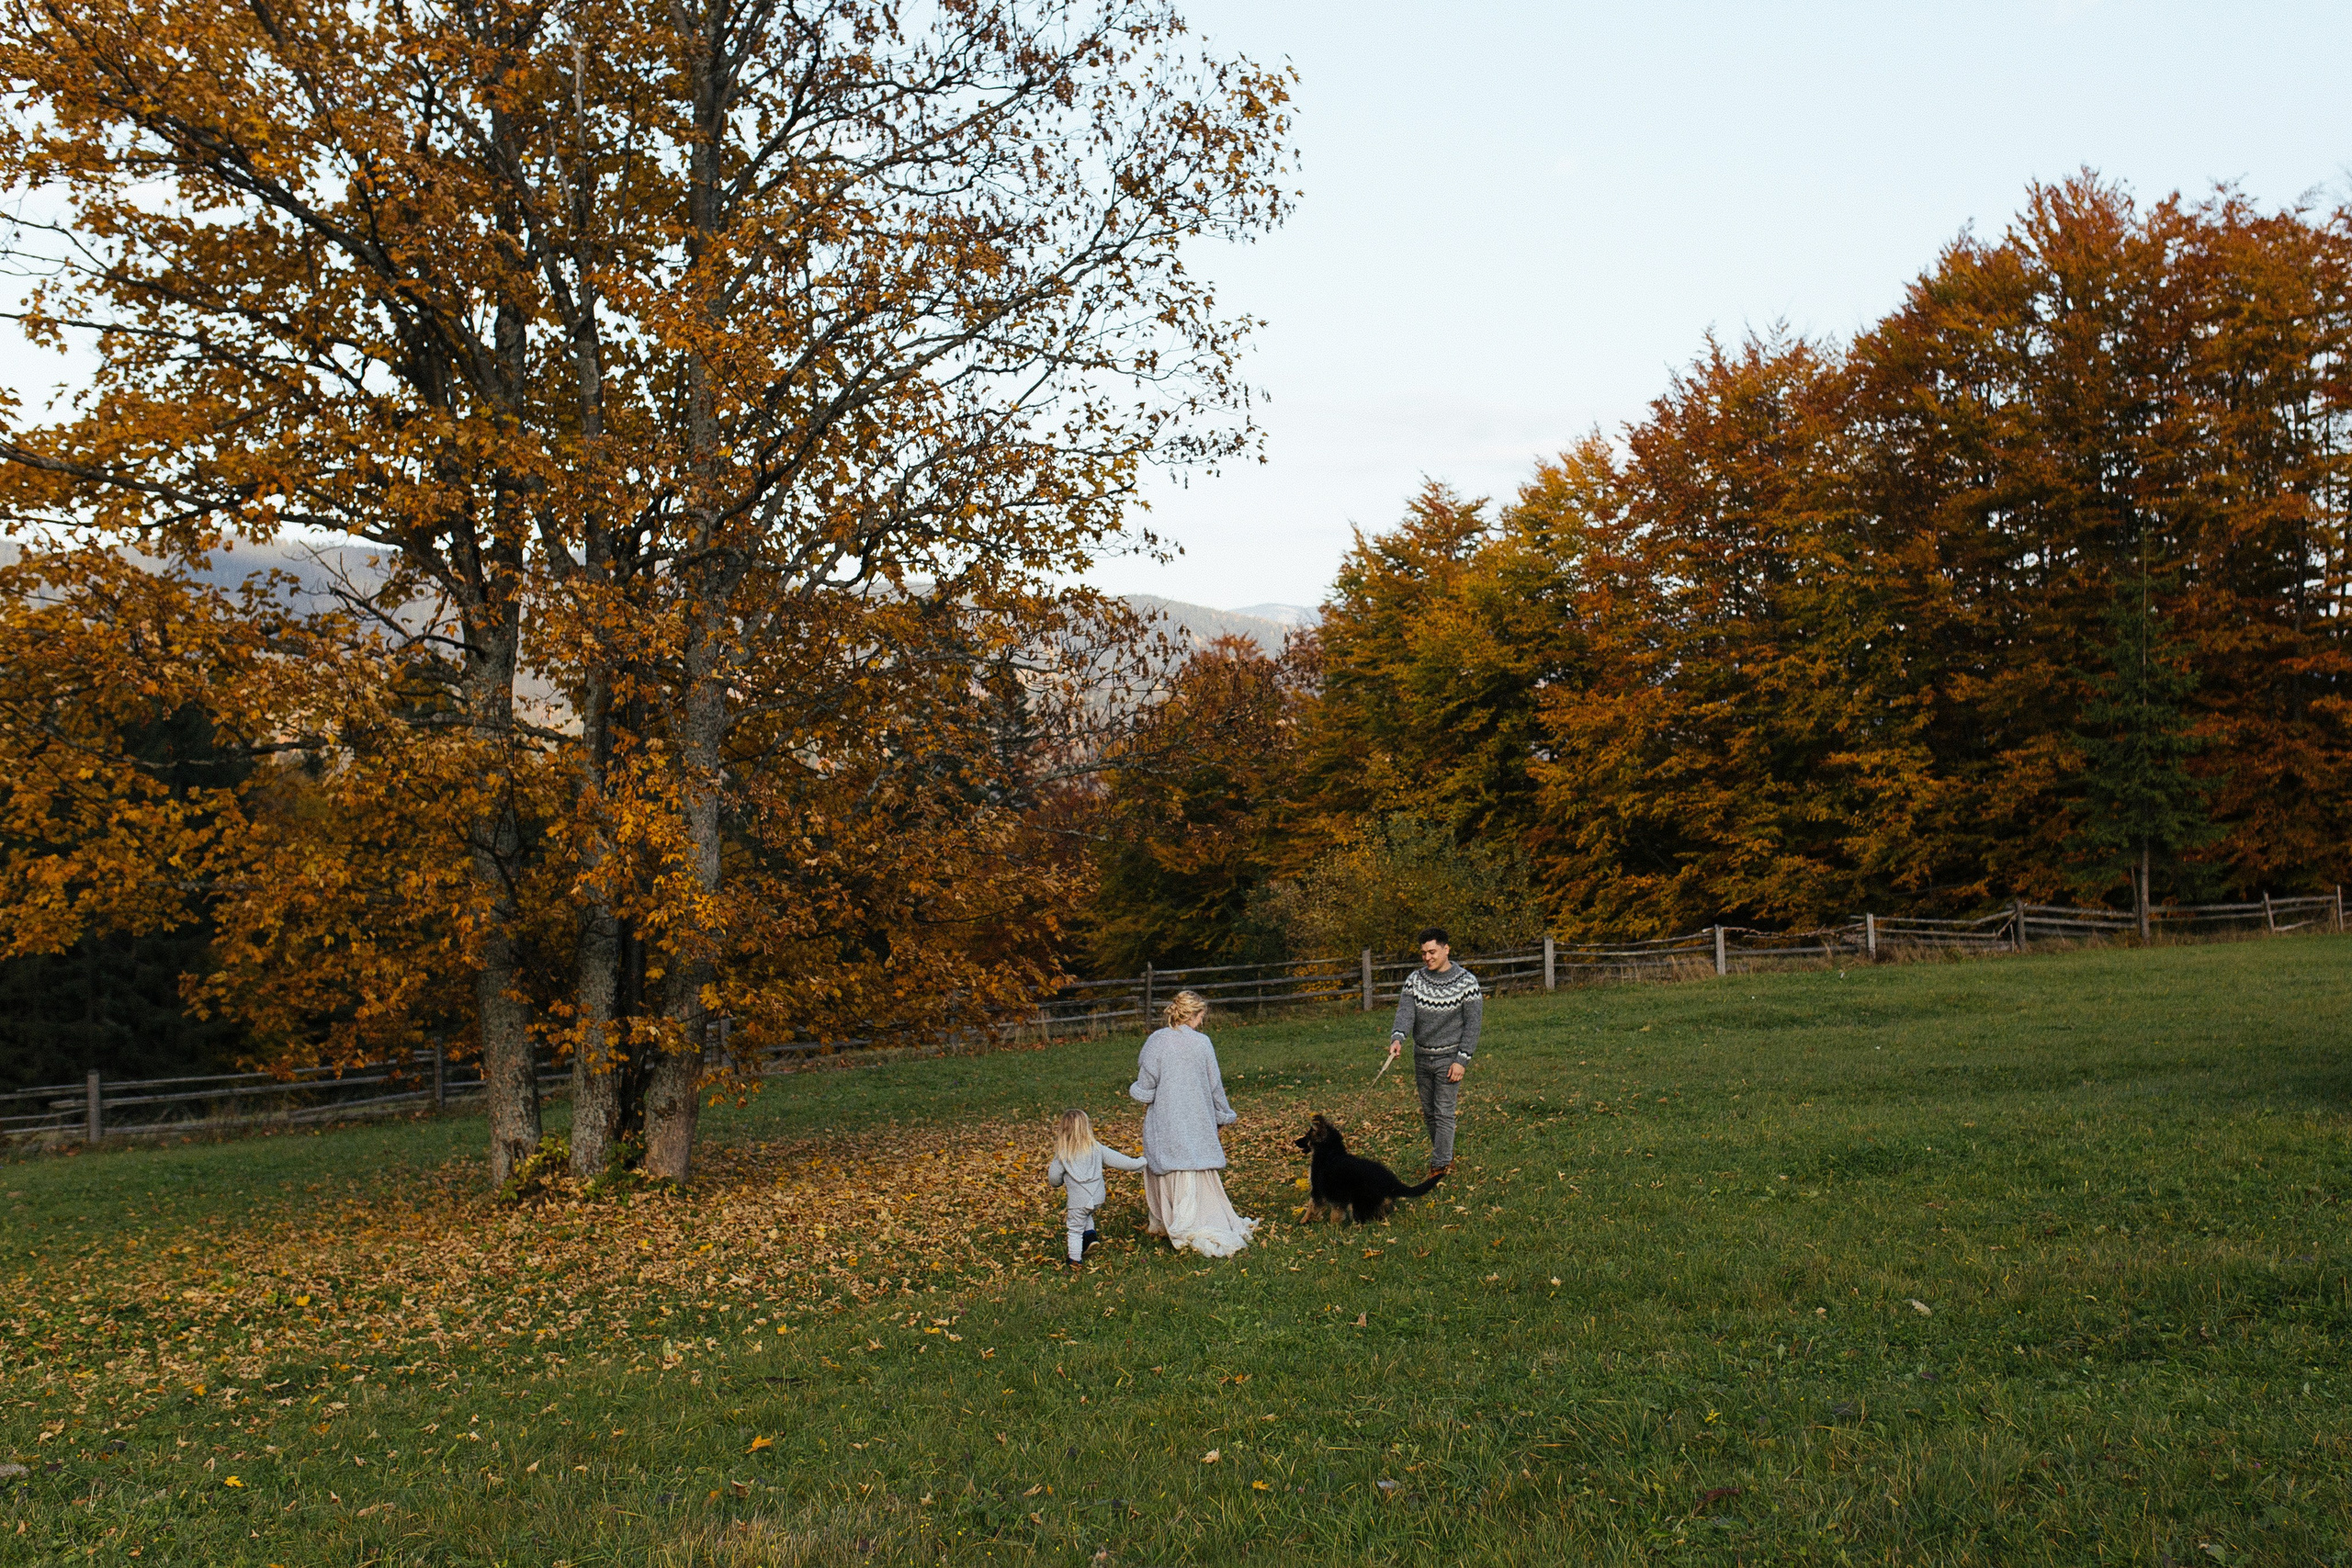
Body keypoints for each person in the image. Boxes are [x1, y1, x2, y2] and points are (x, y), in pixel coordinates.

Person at [1129, 990, 1258, 1258]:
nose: (1202, 1021)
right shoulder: (1202, 1043)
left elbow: (1146, 1088)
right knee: (1192, 1161)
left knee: (1168, 1161)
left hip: (1166, 1118)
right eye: (1201, 1016)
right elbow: (1214, 1085)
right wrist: (1223, 1114)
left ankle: (1167, 1219)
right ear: (1194, 1015)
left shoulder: (1157, 1041)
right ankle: (1195, 1219)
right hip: (1197, 1118)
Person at [1383, 926, 1482, 1176]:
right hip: (1422, 1057)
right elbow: (1405, 1013)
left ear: (1446, 949)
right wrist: (1398, 1039)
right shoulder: (1415, 980)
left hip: (1449, 1059)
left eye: (1432, 952)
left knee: (1444, 1112)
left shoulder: (1467, 982)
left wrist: (1462, 1060)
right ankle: (1446, 1156)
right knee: (1430, 1114)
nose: (1427, 958)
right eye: (1423, 953)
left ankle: (1439, 1166)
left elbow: (1473, 1025)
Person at [1045, 1109, 1147, 1272]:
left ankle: (1074, 1260)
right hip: (1098, 1197)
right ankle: (1090, 1236)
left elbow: (1053, 1179)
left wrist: (1060, 1182)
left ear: (1063, 1130)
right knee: (1087, 1212)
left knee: (1075, 1228)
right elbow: (1121, 1161)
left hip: (1079, 1200)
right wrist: (1140, 1162)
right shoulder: (1096, 1148)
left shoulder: (1063, 1155)